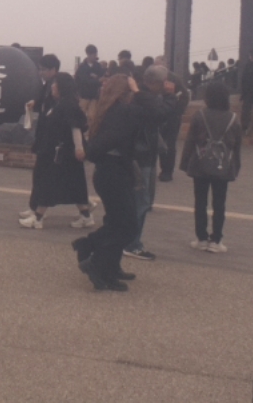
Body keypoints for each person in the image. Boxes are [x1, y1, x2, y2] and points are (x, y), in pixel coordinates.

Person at [72, 75, 142, 291]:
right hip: (114, 172)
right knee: (127, 225)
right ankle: (97, 263)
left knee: (116, 222)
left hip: (110, 172)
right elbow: (148, 113)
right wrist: (138, 92)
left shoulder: (109, 110)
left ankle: (103, 261)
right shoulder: (121, 111)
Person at [20, 73, 93, 229]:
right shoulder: (58, 103)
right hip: (58, 152)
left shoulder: (68, 105)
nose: (52, 86)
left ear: (62, 87)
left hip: (62, 153)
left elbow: (75, 128)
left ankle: (38, 218)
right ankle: (86, 215)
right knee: (74, 184)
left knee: (49, 183)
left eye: (55, 83)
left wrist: (79, 148)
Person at [180, 81, 243, 251]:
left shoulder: (199, 115)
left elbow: (190, 141)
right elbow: (236, 145)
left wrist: (185, 163)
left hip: (200, 164)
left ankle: (201, 238)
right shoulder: (233, 119)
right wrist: (235, 167)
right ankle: (216, 240)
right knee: (219, 203)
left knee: (200, 202)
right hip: (223, 165)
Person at [123, 66, 171, 262]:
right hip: (140, 156)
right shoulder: (141, 98)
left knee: (142, 200)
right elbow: (161, 113)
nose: (166, 85)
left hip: (146, 154)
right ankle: (132, 243)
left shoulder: (145, 97)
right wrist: (170, 96)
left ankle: (131, 241)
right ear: (156, 82)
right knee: (140, 201)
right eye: (163, 82)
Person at [157, 73, 189, 182]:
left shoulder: (173, 79)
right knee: (166, 143)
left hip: (171, 117)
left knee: (168, 143)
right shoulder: (172, 78)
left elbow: (184, 97)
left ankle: (167, 171)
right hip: (168, 116)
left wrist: (177, 112)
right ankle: (165, 170)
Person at [75, 44, 105, 121]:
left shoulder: (98, 66)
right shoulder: (82, 67)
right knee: (80, 116)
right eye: (94, 54)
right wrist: (97, 80)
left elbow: (102, 78)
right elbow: (83, 80)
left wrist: (96, 79)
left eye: (96, 54)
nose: (95, 56)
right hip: (83, 96)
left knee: (92, 117)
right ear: (88, 54)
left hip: (94, 96)